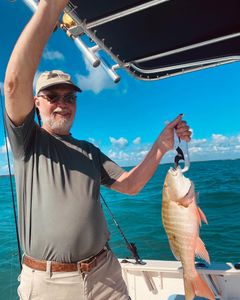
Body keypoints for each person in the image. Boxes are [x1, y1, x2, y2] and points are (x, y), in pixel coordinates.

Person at [4, 1, 192, 300]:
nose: (62, 102)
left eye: (69, 97)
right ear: (37, 103)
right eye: (52, 96)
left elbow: (130, 186)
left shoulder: (89, 151)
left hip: (105, 274)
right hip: (50, 283)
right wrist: (51, 9)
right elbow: (14, 85)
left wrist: (162, 146)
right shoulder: (28, 141)